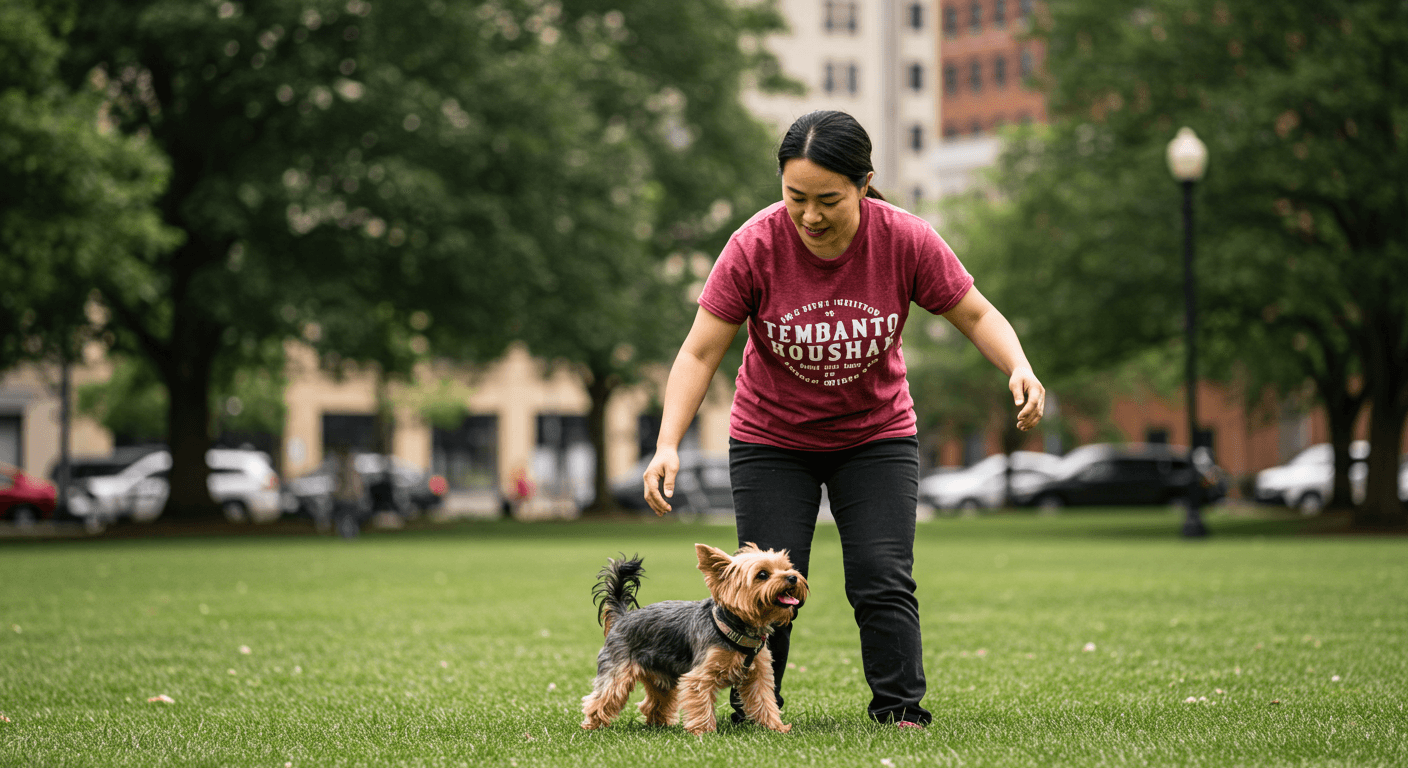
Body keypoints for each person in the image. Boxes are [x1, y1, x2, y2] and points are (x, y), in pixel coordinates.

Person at [641, 110, 1045, 728]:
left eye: (828, 199)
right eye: (794, 196)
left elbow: (976, 314)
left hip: (876, 435)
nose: (810, 215)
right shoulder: (754, 245)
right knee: (761, 589)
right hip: (770, 438)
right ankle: (756, 714)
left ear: (864, 183)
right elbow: (699, 351)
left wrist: (1018, 364)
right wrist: (668, 442)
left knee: (882, 577)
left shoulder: (904, 238)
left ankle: (900, 708)